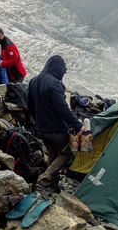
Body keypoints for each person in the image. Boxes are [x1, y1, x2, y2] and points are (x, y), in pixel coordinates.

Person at [28, 55, 83, 192]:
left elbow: (30, 105)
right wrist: (78, 125)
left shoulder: (34, 81)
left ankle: (51, 185)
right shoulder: (55, 84)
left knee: (53, 155)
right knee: (67, 152)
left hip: (41, 129)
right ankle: (44, 179)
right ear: (57, 69)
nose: (63, 75)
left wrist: (37, 122)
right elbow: (63, 109)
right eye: (63, 71)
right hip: (56, 130)